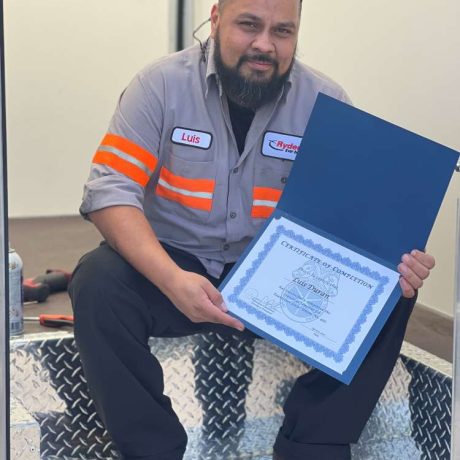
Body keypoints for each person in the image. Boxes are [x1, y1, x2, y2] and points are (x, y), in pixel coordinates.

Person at [68, 0, 436, 459]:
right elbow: (109, 192)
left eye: (283, 31)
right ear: (217, 18)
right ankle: (151, 448)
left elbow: (352, 222)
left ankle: (313, 444)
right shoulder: (160, 85)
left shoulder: (328, 102)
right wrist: (170, 278)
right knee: (98, 281)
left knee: (391, 290)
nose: (265, 45)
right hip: (178, 265)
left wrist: (394, 260)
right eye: (249, 25)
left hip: (277, 281)